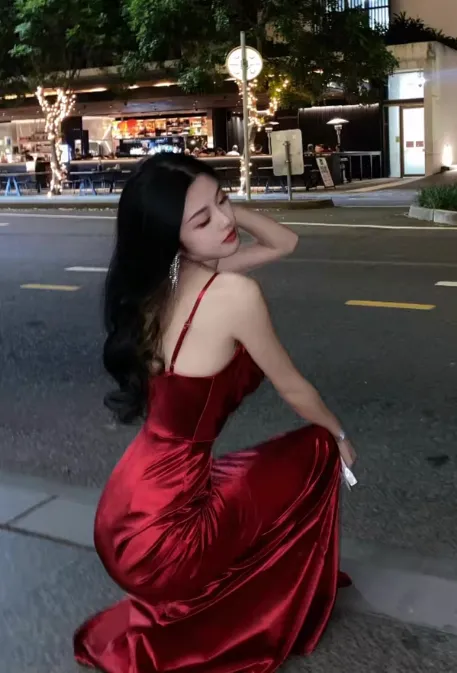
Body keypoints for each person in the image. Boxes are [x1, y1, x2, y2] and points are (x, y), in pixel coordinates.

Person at [74, 154, 356, 673]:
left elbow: (285, 242)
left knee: (251, 474)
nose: (226, 221)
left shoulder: (163, 284)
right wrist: (339, 434)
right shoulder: (231, 293)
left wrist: (211, 207)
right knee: (318, 447)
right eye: (203, 220)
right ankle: (280, 595)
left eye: (225, 201)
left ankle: (240, 580)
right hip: (168, 539)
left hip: (122, 516)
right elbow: (293, 387)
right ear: (172, 238)